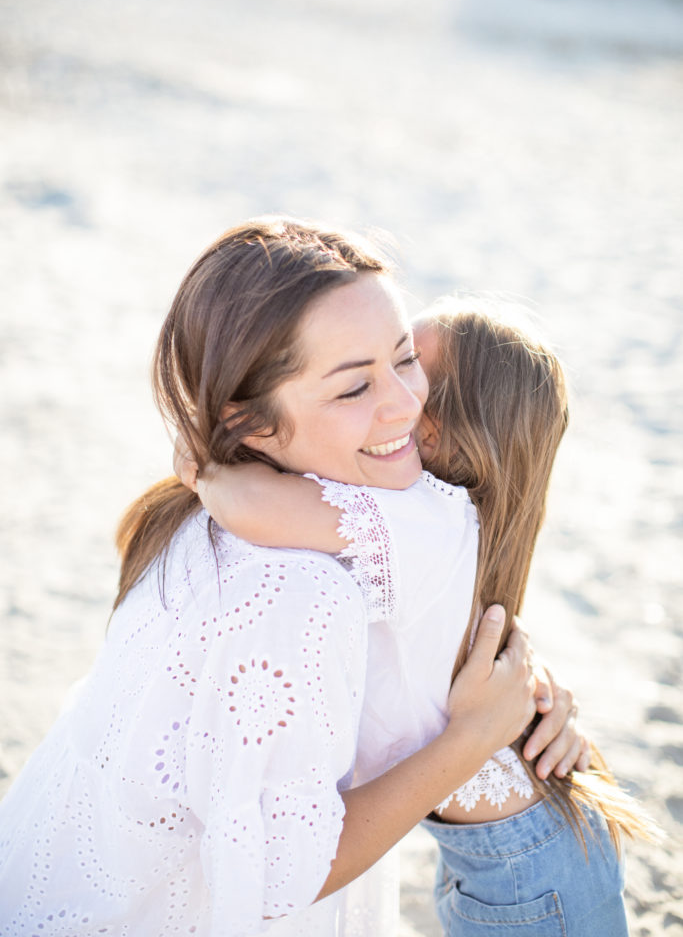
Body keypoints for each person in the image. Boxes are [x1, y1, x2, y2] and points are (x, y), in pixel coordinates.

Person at [0, 218, 582, 937]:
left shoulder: (199, 518)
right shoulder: (300, 589)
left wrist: (206, 467)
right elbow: (283, 876)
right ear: (251, 422)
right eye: (353, 387)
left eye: (405, 359)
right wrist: (475, 735)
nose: (410, 403)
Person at [184, 292, 659, 935]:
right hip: (519, 845)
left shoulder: (423, 516)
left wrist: (200, 465)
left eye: (408, 364)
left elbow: (253, 508)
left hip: (523, 864)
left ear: (433, 428)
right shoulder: (444, 524)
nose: (390, 384)